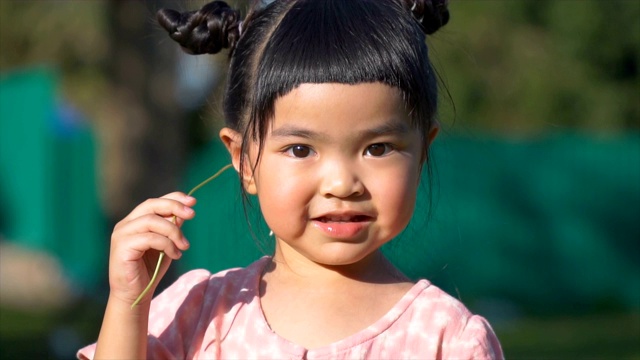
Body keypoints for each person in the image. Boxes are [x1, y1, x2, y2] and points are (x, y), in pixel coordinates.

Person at [78, 0, 503, 358]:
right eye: (301, 150)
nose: (341, 183)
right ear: (244, 160)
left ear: (423, 151)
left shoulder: (447, 338)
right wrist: (128, 301)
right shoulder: (199, 311)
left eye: (378, 148)